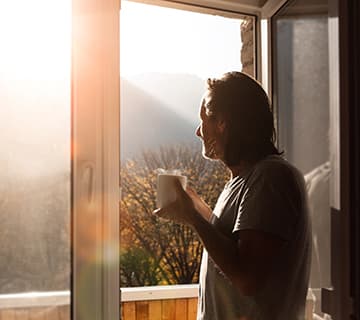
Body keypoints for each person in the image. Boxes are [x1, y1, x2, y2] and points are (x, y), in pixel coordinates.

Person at [154, 71, 312, 320]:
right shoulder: (245, 180)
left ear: (223, 122)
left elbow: (247, 279)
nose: (198, 132)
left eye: (203, 120)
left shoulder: (270, 177)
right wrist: (198, 211)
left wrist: (196, 220)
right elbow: (236, 245)